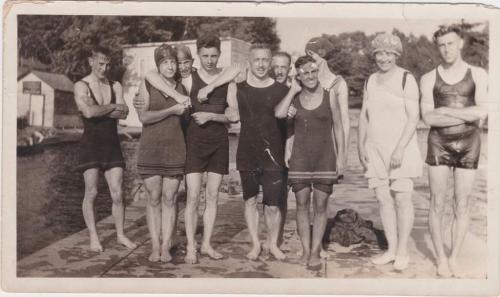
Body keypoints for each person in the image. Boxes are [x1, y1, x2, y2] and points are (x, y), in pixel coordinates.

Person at [136, 35, 240, 264]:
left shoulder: (227, 81)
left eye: (214, 56)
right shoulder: (189, 79)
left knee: (212, 196)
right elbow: (152, 75)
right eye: (205, 56)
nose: (210, 60)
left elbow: (235, 112)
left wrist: (213, 114)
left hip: (218, 143)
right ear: (198, 57)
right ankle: (190, 247)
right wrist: (176, 99)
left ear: (219, 55)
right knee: (191, 197)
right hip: (192, 143)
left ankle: (206, 245)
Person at [420, 25, 488, 277]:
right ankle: (440, 259)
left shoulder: (478, 74)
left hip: (470, 143)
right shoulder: (428, 78)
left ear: (460, 43)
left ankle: (455, 257)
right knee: (437, 202)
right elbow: (428, 118)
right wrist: (465, 116)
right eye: (441, 45)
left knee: (463, 203)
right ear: (437, 47)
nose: (446, 49)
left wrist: (446, 112)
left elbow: (482, 111)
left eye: (450, 43)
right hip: (439, 142)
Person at [358, 33, 422, 270]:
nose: (383, 58)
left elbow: (414, 117)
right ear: (374, 55)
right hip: (375, 149)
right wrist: (360, 145)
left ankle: (403, 251)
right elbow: (364, 116)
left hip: (401, 148)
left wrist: (399, 148)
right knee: (383, 199)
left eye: (388, 54)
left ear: (396, 55)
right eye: (379, 54)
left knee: (402, 198)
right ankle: (391, 249)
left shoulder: (406, 78)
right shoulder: (370, 80)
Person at [225, 43, 290, 261]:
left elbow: (291, 125)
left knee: (272, 205)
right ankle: (255, 244)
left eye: (265, 60)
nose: (261, 64)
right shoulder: (239, 88)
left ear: (270, 61)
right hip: (247, 153)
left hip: (274, 154)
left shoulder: (282, 90)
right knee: (250, 200)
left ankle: (272, 244)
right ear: (249, 63)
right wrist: (229, 109)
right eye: (256, 60)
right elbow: (229, 110)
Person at [281, 55, 345, 267]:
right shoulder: (294, 98)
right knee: (300, 205)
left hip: (325, 157)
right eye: (304, 73)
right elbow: (286, 127)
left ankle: (316, 251)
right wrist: (287, 149)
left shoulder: (330, 95)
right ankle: (306, 250)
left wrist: (342, 157)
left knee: (320, 205)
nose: (309, 76)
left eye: (312, 72)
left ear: (317, 72)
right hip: (300, 158)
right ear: (298, 76)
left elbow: (339, 128)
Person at [73, 45, 137, 252]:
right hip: (90, 145)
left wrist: (101, 108)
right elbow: (89, 113)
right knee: (91, 192)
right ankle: (94, 237)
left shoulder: (115, 85)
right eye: (100, 64)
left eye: (107, 64)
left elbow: (124, 113)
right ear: (91, 62)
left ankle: (120, 235)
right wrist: (111, 107)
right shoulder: (81, 86)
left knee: (118, 193)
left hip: (111, 144)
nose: (104, 68)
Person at [135, 44, 188, 262]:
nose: (170, 66)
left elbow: (184, 121)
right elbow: (143, 117)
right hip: (151, 148)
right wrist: (171, 110)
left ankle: (166, 245)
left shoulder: (183, 88)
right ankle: (155, 245)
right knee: (153, 198)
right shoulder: (147, 83)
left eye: (173, 62)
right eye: (165, 62)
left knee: (170, 198)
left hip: (175, 148)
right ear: (158, 65)